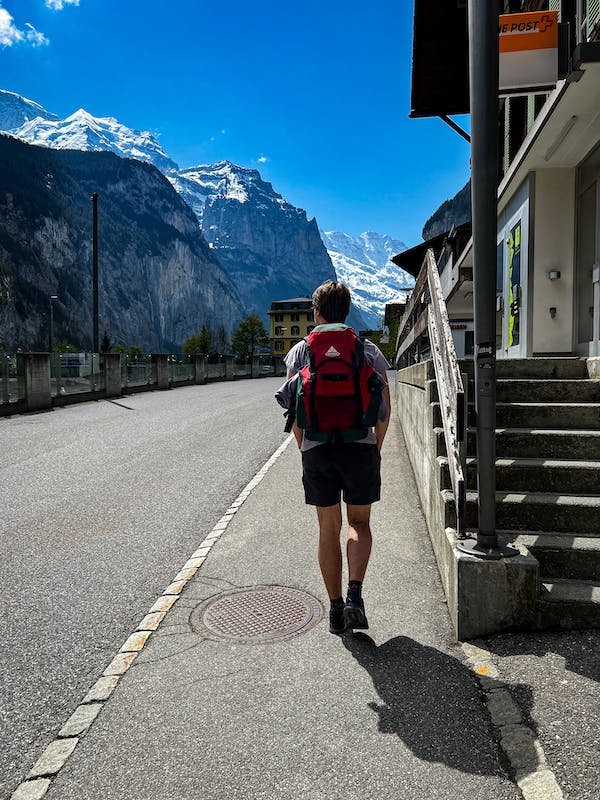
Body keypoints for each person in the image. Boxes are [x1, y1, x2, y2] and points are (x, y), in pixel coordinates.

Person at [279, 281, 390, 635]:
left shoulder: (300, 352)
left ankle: (335, 609)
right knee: (359, 524)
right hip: (360, 447)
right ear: (347, 311)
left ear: (316, 313)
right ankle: (355, 595)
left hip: (317, 451)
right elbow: (384, 410)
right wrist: (375, 448)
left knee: (328, 529)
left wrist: (305, 448)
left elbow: (294, 413)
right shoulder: (366, 350)